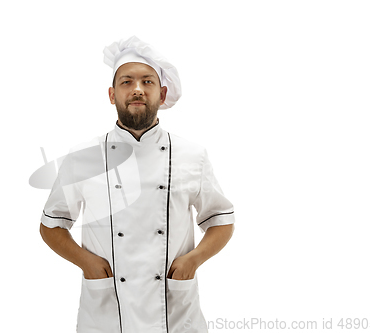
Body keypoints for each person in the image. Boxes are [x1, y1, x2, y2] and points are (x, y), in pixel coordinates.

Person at [39, 36, 235, 333]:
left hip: (175, 314)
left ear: (162, 93)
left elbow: (221, 220)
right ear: (111, 94)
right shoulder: (83, 158)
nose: (137, 89)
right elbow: (51, 225)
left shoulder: (192, 155)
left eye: (147, 81)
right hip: (106, 314)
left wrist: (194, 260)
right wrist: (86, 262)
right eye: (127, 82)